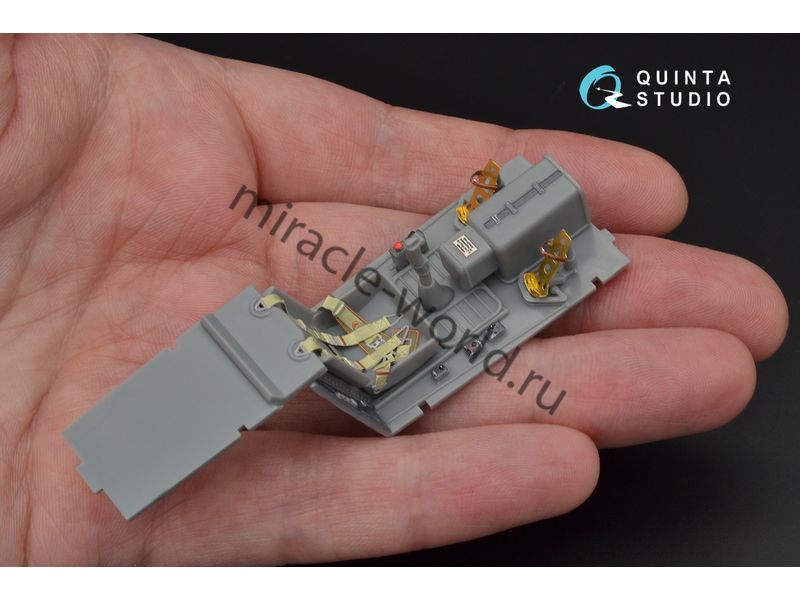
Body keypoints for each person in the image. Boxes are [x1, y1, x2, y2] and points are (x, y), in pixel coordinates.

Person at [0, 34, 787, 566]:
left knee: (415, 305)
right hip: (408, 312)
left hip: (437, 308)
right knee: (377, 317)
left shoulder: (527, 260)